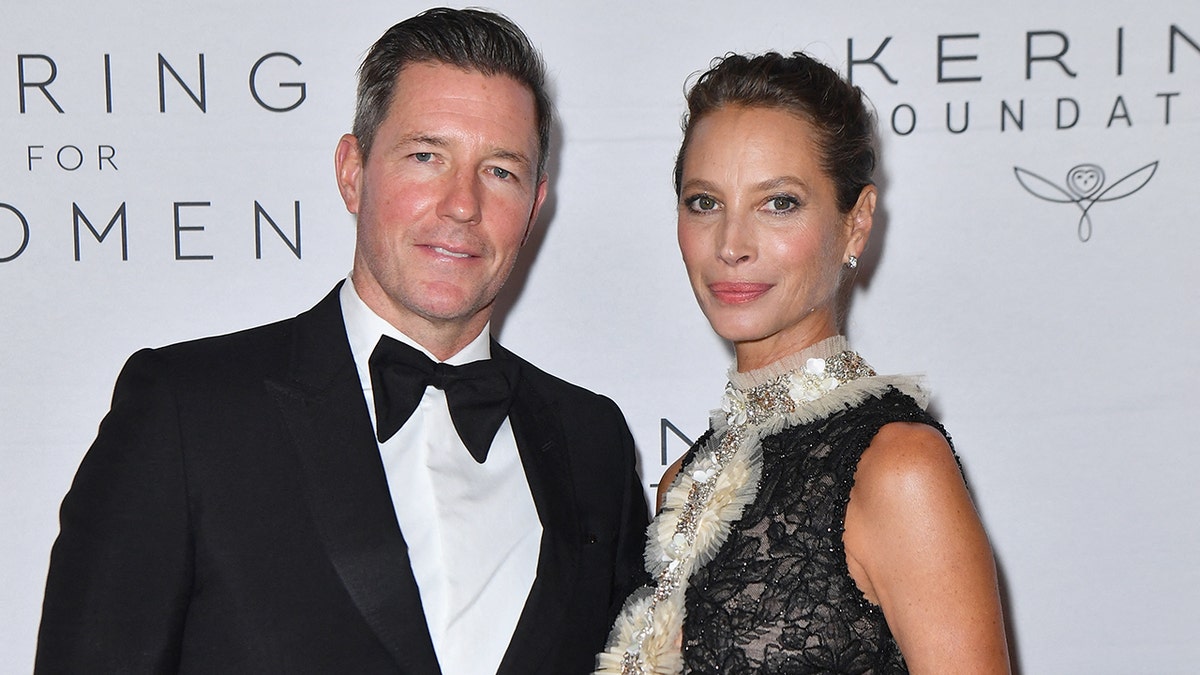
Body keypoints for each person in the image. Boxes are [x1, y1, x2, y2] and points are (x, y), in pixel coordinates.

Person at [35, 8, 648, 674]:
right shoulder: (188, 413)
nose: (462, 204)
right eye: (425, 156)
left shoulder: (595, 445)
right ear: (353, 172)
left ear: (535, 203)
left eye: (499, 171)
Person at [598, 52, 1009, 674]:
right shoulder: (685, 481)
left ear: (856, 224)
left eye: (779, 203)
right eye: (704, 202)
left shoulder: (898, 468)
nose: (731, 245)